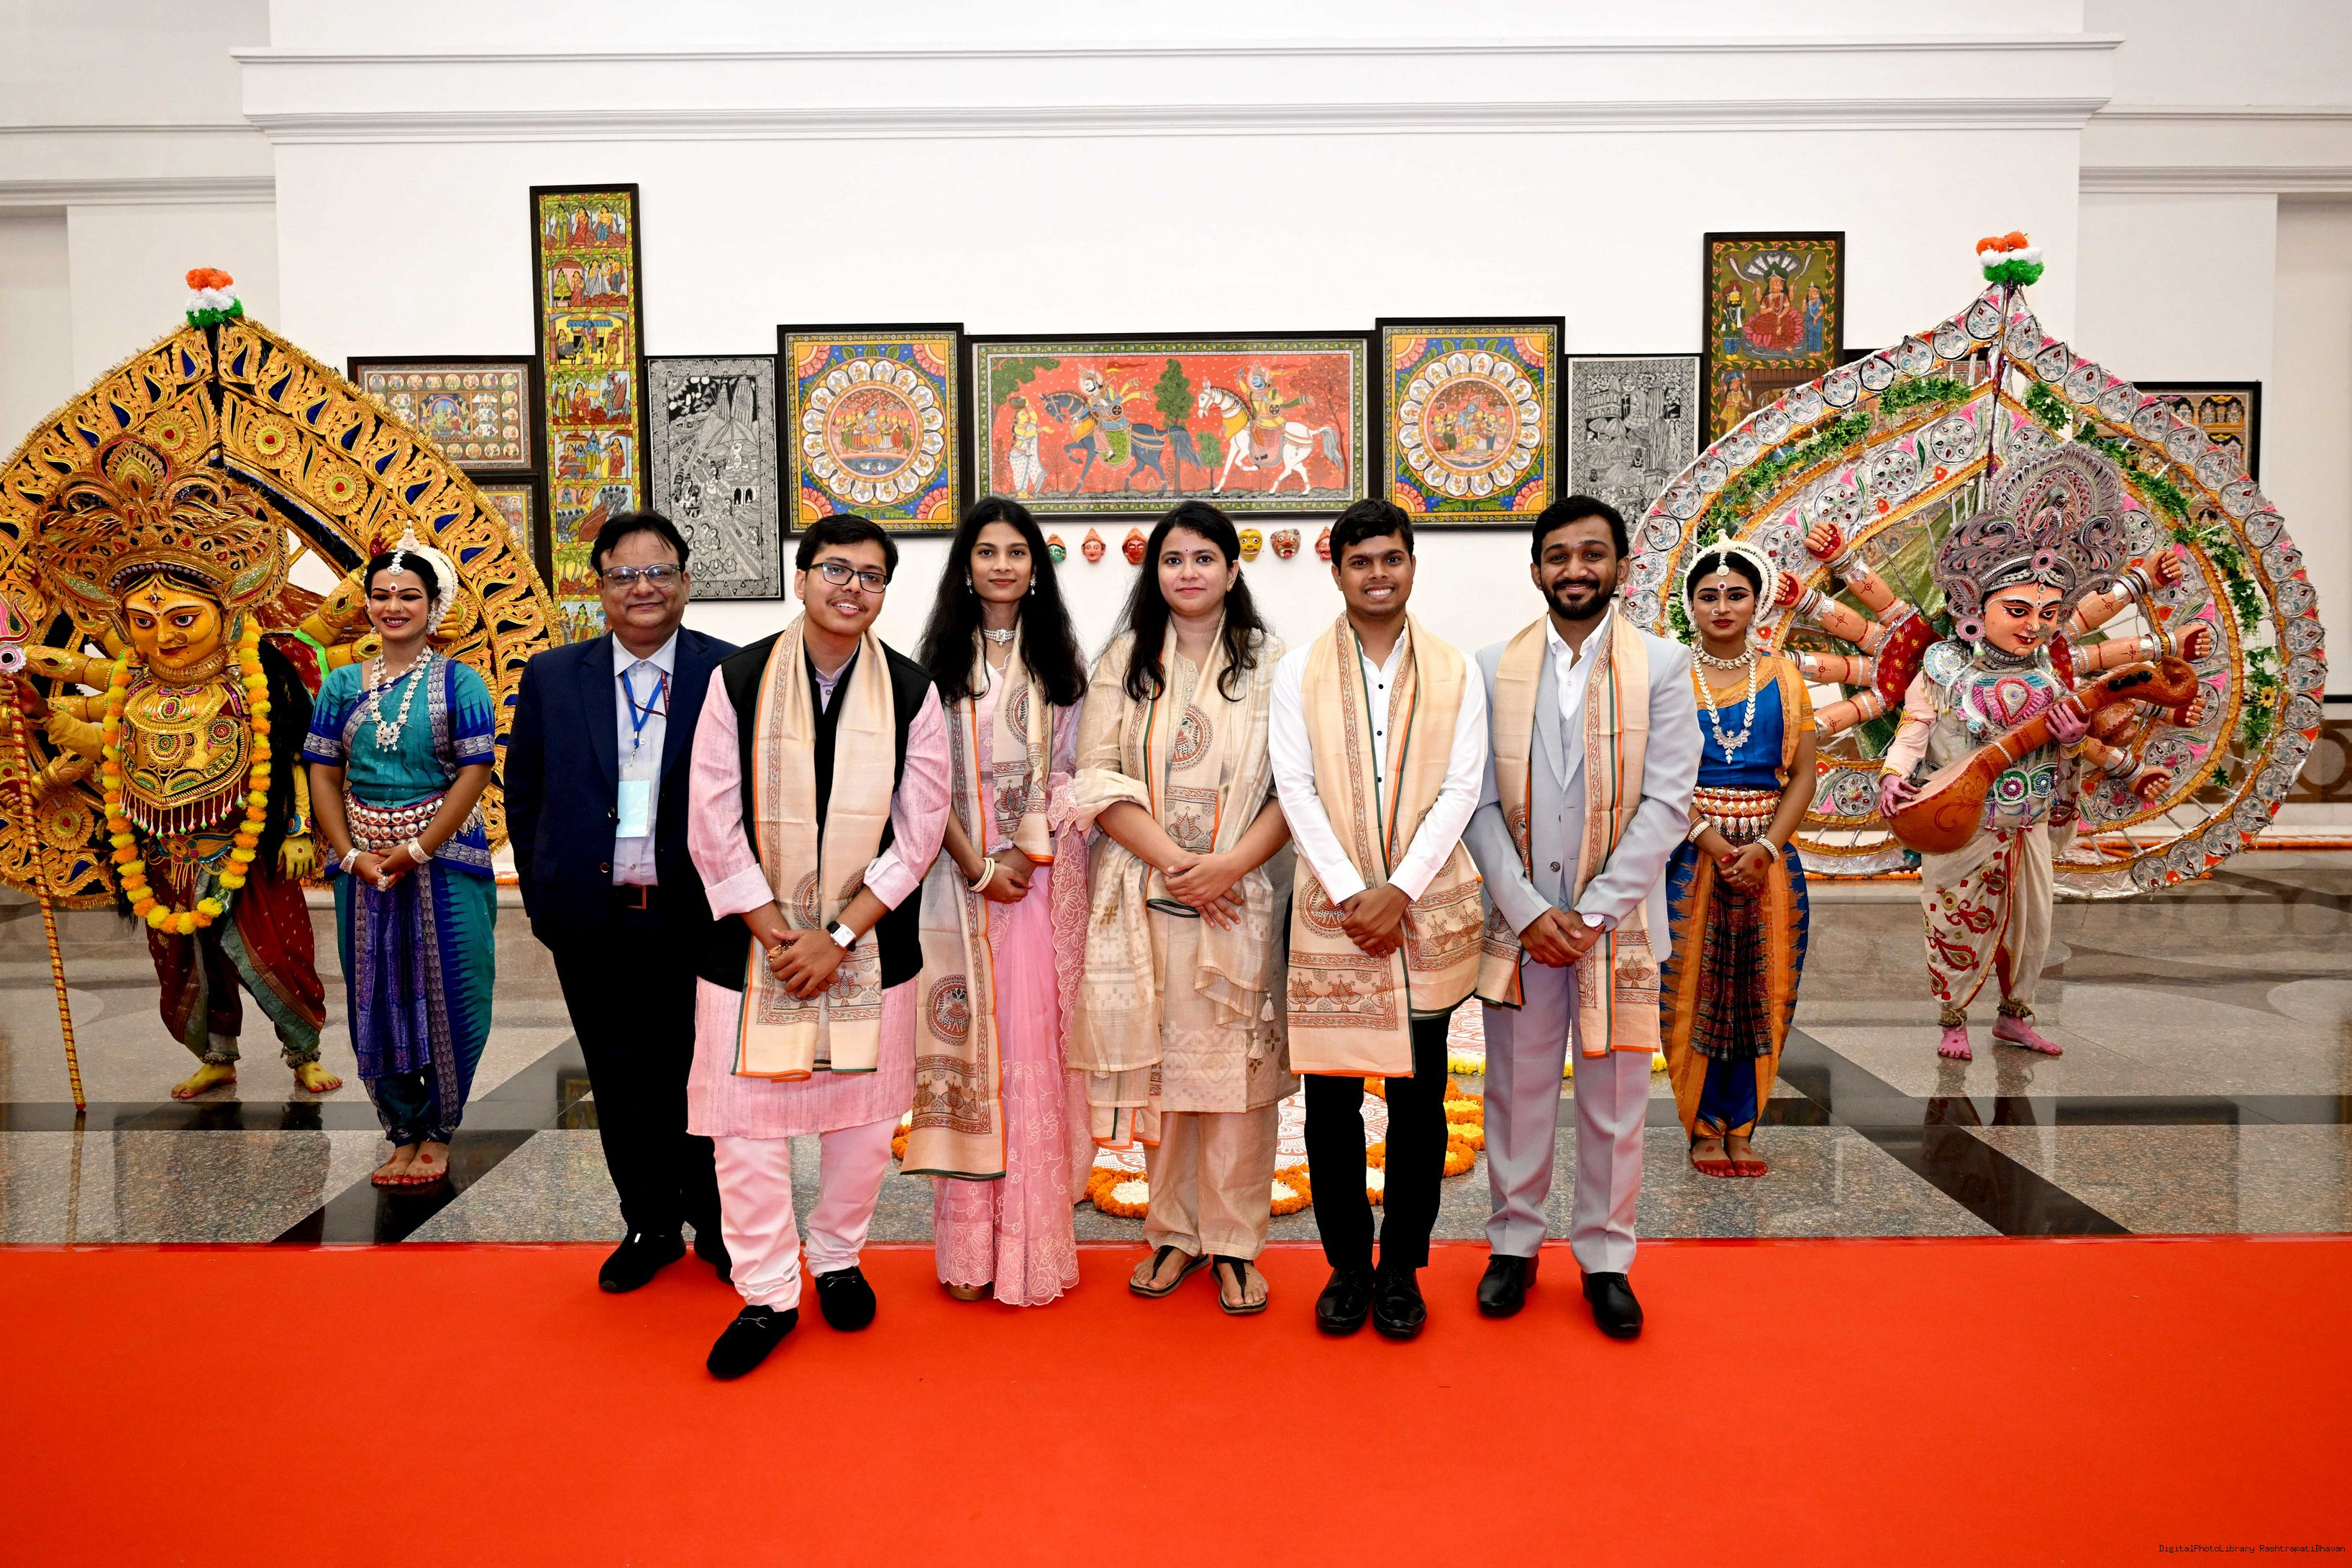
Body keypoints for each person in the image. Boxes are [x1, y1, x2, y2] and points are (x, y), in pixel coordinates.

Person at [688, 514, 949, 1380]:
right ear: (802, 579)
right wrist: (780, 936)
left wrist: (836, 938)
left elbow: (920, 830)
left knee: (864, 1126)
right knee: (745, 1133)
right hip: (749, 950)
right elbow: (712, 819)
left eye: (872, 576)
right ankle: (767, 1291)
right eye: (836, 569)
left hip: (868, 946)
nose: (853, 588)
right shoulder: (737, 679)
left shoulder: (911, 689)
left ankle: (837, 1256)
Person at [1463, 496, 1700, 1340]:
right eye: (1558, 555)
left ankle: (1605, 1256)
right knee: (1516, 1090)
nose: (1575, 569)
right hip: (1521, 927)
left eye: (1592, 554)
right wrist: (1528, 909)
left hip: (1617, 926)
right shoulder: (1492, 666)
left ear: (1620, 567)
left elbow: (1669, 803)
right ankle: (1514, 1243)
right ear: (1535, 569)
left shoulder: (1663, 665)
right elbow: (1475, 801)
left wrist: (1594, 912)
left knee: (1615, 1097)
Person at [1270, 498, 1487, 1340]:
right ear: (1337, 571)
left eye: (1391, 558)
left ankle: (1401, 1266)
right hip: (1333, 916)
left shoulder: (1456, 670)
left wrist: (1398, 888)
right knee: (1330, 1104)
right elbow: (1296, 787)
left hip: (1421, 911)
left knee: (1418, 1103)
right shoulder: (1299, 671)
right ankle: (1347, 1266)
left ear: (1412, 564)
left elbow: (1462, 787)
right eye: (1361, 561)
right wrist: (1350, 888)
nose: (1378, 574)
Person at [1071, 499, 1293, 1316]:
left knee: (1237, 1083)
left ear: (1233, 570)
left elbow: (1294, 788)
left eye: (1205, 558)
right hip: (1148, 895)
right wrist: (1177, 864)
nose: (1189, 572)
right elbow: (1095, 779)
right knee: (1166, 1075)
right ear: (1155, 572)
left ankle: (1234, 1242)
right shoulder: (1126, 660)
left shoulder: (1273, 663)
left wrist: (1228, 865)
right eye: (1173, 559)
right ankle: (1172, 1231)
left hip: (1242, 899)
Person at [506, 510, 737, 1291]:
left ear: (685, 583)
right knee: (619, 1075)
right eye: (624, 574)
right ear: (599, 586)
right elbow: (525, 791)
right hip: (592, 916)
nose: (643, 587)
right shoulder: (552, 676)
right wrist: (545, 892)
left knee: (705, 1073)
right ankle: (649, 1223)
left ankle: (719, 1223)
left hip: (697, 915)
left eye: (659, 571)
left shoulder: (729, 671)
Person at [1878, 447, 2128, 1064]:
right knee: (1954, 920)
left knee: (2034, 926)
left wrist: (2073, 741)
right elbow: (1913, 731)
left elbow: (2067, 747)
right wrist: (1893, 775)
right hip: (1960, 821)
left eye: (2047, 614)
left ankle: (2015, 1016)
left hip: (2029, 823)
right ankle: (1953, 1019)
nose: (2033, 626)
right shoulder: (1943, 670)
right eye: (2017, 611)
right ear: (1975, 609)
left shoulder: (2050, 676)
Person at [909, 496, 1091, 1306]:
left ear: (1036, 568)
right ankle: (969, 1247)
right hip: (955, 885)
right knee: (966, 1050)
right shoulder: (935, 668)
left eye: (1017, 552)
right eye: (987, 551)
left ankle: (1028, 1245)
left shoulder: (1060, 665)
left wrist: (1020, 853)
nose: (1003, 565)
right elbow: (922, 781)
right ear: (966, 566)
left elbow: (1071, 770)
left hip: (1038, 882)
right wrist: (977, 864)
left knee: (1028, 1050)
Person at [303, 539, 498, 1188]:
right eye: (382, 596)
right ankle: (402, 1130)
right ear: (366, 605)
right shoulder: (339, 686)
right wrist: (349, 853)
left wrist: (419, 848)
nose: (394, 606)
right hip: (365, 869)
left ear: (433, 605)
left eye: (409, 596)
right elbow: (323, 772)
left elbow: (475, 769)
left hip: (444, 862)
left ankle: (439, 1130)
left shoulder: (460, 682)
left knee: (456, 991)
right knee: (375, 997)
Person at [1659, 544, 1816, 1180]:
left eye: (1736, 595)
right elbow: (1656, 773)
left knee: (1763, 991)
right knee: (1692, 990)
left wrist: (1765, 848)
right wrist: (1715, 843)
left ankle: (1743, 1126)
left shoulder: (1785, 677)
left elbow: (1803, 775)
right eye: (1708, 596)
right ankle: (1701, 1128)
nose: (1722, 607)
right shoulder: (1670, 675)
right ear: (1690, 605)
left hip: (1770, 859)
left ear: (1758, 602)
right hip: (1690, 853)